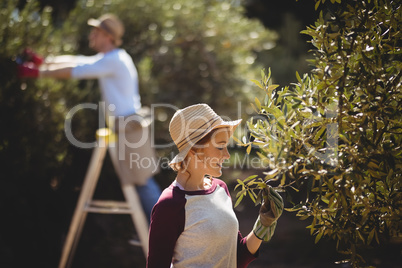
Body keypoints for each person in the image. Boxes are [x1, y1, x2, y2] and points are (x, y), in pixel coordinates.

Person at [17, 14, 161, 222]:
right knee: (142, 184)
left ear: (108, 36)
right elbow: (76, 60)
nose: (92, 35)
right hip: (127, 127)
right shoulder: (112, 58)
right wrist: (44, 62)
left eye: (97, 32)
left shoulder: (114, 60)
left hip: (129, 128)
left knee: (143, 183)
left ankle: (168, 232)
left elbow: (76, 70)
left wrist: (36, 72)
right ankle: (163, 231)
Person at [147, 103, 284, 268]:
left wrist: (264, 224)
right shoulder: (170, 205)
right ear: (193, 150)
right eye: (220, 147)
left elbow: (235, 256)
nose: (226, 155)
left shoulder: (220, 189)